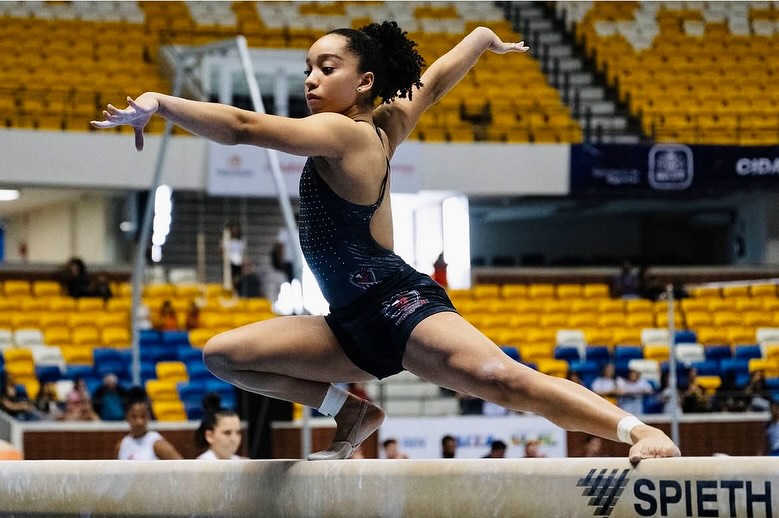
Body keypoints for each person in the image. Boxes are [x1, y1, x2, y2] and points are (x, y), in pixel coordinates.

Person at [92, 22, 679, 463]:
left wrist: (162, 102)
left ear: (364, 80)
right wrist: (479, 39)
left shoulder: (341, 134)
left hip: (399, 307)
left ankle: (638, 430)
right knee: (224, 356)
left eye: (326, 68)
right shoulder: (384, 124)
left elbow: (245, 128)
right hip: (348, 322)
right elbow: (437, 80)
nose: (311, 80)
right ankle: (350, 409)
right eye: (307, 69)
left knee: (505, 380)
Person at [117, 392, 183, 460]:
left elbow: (181, 465)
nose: (139, 422)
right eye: (134, 417)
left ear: (148, 417)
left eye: (143, 416)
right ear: (127, 418)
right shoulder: (122, 444)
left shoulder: (156, 443)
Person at [195, 393, 243, 460]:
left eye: (238, 433)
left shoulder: (239, 461)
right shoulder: (202, 463)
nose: (234, 439)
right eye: (227, 433)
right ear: (210, 436)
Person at [272, 213, 300, 284]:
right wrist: (279, 259)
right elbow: (279, 246)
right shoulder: (284, 231)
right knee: (289, 280)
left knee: (296, 280)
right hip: (288, 261)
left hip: (296, 261)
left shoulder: (298, 233)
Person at [223, 220, 246, 295]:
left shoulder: (241, 242)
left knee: (238, 281)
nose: (235, 230)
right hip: (229, 264)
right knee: (230, 281)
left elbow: (243, 254)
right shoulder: (227, 241)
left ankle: (237, 293)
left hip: (238, 264)